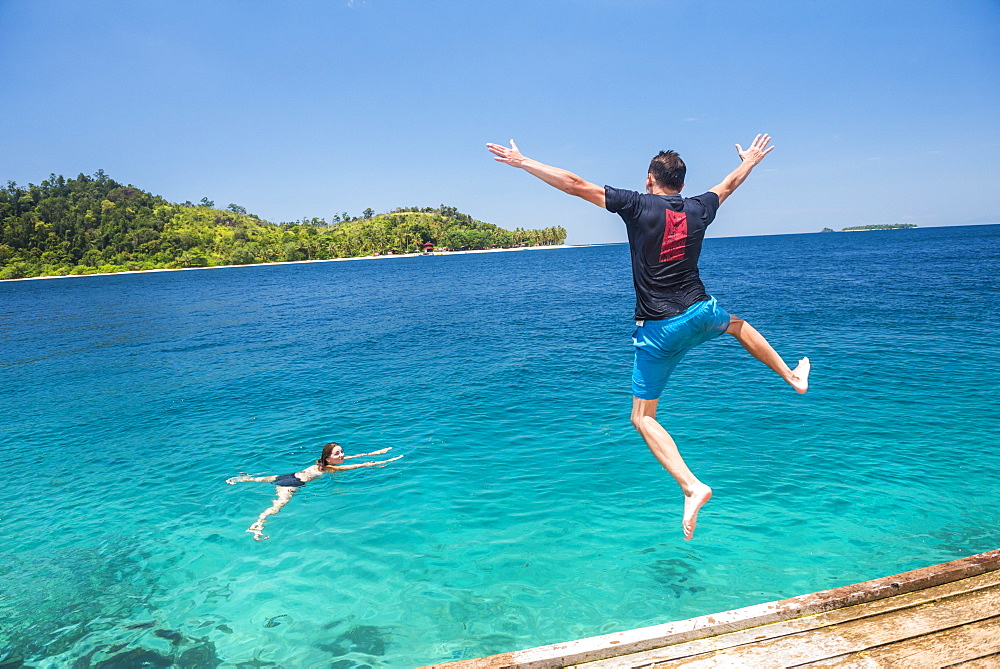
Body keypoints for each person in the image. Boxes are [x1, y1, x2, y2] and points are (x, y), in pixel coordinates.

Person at [486, 134, 810, 541]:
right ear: (682, 182)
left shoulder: (638, 204)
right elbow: (728, 185)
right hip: (701, 311)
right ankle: (792, 377)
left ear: (650, 180)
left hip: (659, 328)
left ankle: (692, 486)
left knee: (642, 417)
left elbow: (574, 183)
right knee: (738, 325)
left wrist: (523, 161)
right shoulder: (700, 207)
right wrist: (750, 161)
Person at [227, 442, 403, 540]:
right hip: (291, 484)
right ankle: (257, 525)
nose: (341, 455)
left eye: (341, 452)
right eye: (337, 454)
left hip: (287, 475)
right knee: (277, 506)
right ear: (328, 458)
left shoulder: (321, 462)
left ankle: (244, 478)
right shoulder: (331, 469)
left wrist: (377, 452)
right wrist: (388, 460)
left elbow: (353, 458)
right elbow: (358, 465)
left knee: (258, 479)